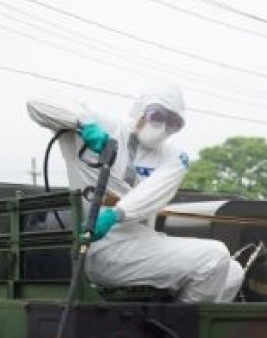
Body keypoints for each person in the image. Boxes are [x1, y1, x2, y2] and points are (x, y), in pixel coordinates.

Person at [27, 83, 244, 303]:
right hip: (102, 248)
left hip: (143, 243)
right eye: (158, 115)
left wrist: (116, 214)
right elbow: (38, 103)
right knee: (214, 257)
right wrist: (83, 122)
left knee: (232, 271)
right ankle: (182, 331)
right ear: (141, 109)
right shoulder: (105, 127)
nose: (164, 127)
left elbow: (152, 192)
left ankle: (176, 324)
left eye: (174, 123)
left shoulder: (174, 157)